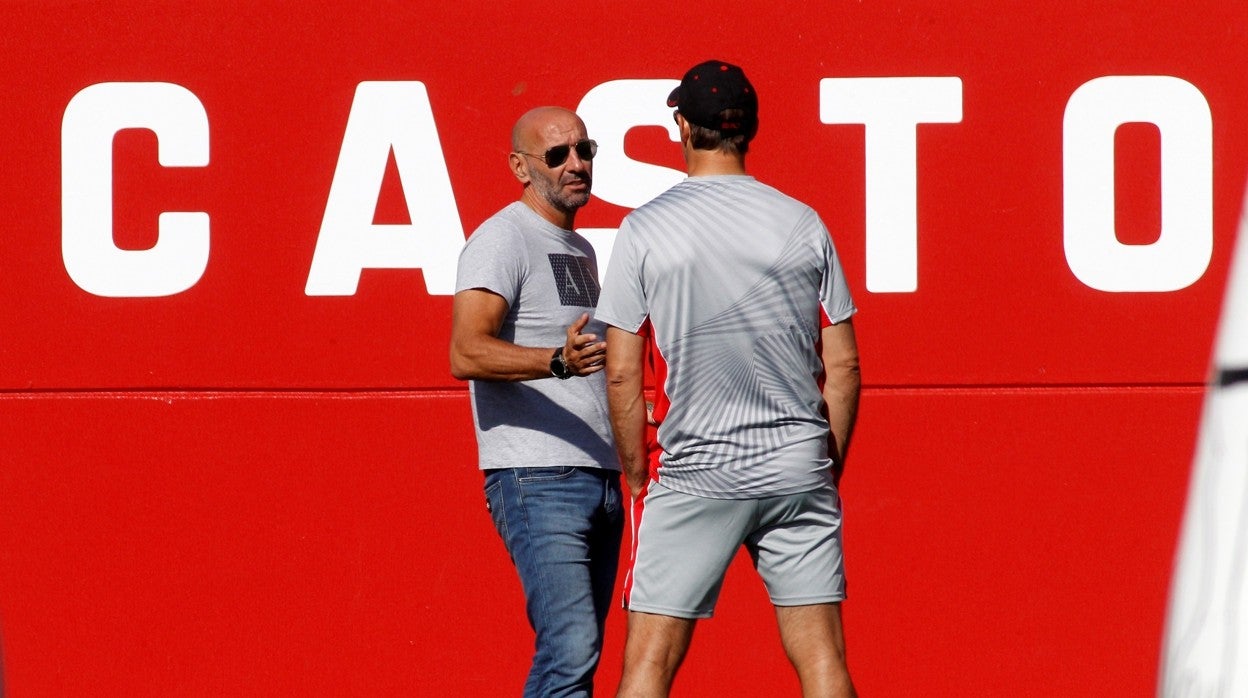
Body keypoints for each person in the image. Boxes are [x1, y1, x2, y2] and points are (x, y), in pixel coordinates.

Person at [597, 61, 862, 697]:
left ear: (683, 128)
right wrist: (822, 464)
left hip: (695, 469)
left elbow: (622, 372)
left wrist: (636, 473)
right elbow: (845, 366)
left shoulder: (645, 228)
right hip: (797, 465)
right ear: (751, 129)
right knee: (822, 659)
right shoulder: (803, 221)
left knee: (649, 664)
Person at [449, 106, 624, 698]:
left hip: (598, 476)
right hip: (538, 478)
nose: (576, 164)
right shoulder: (502, 238)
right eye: (557, 155)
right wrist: (556, 361)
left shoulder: (581, 248)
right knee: (570, 649)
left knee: (579, 655)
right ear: (520, 168)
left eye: (584, 149)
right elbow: (466, 350)